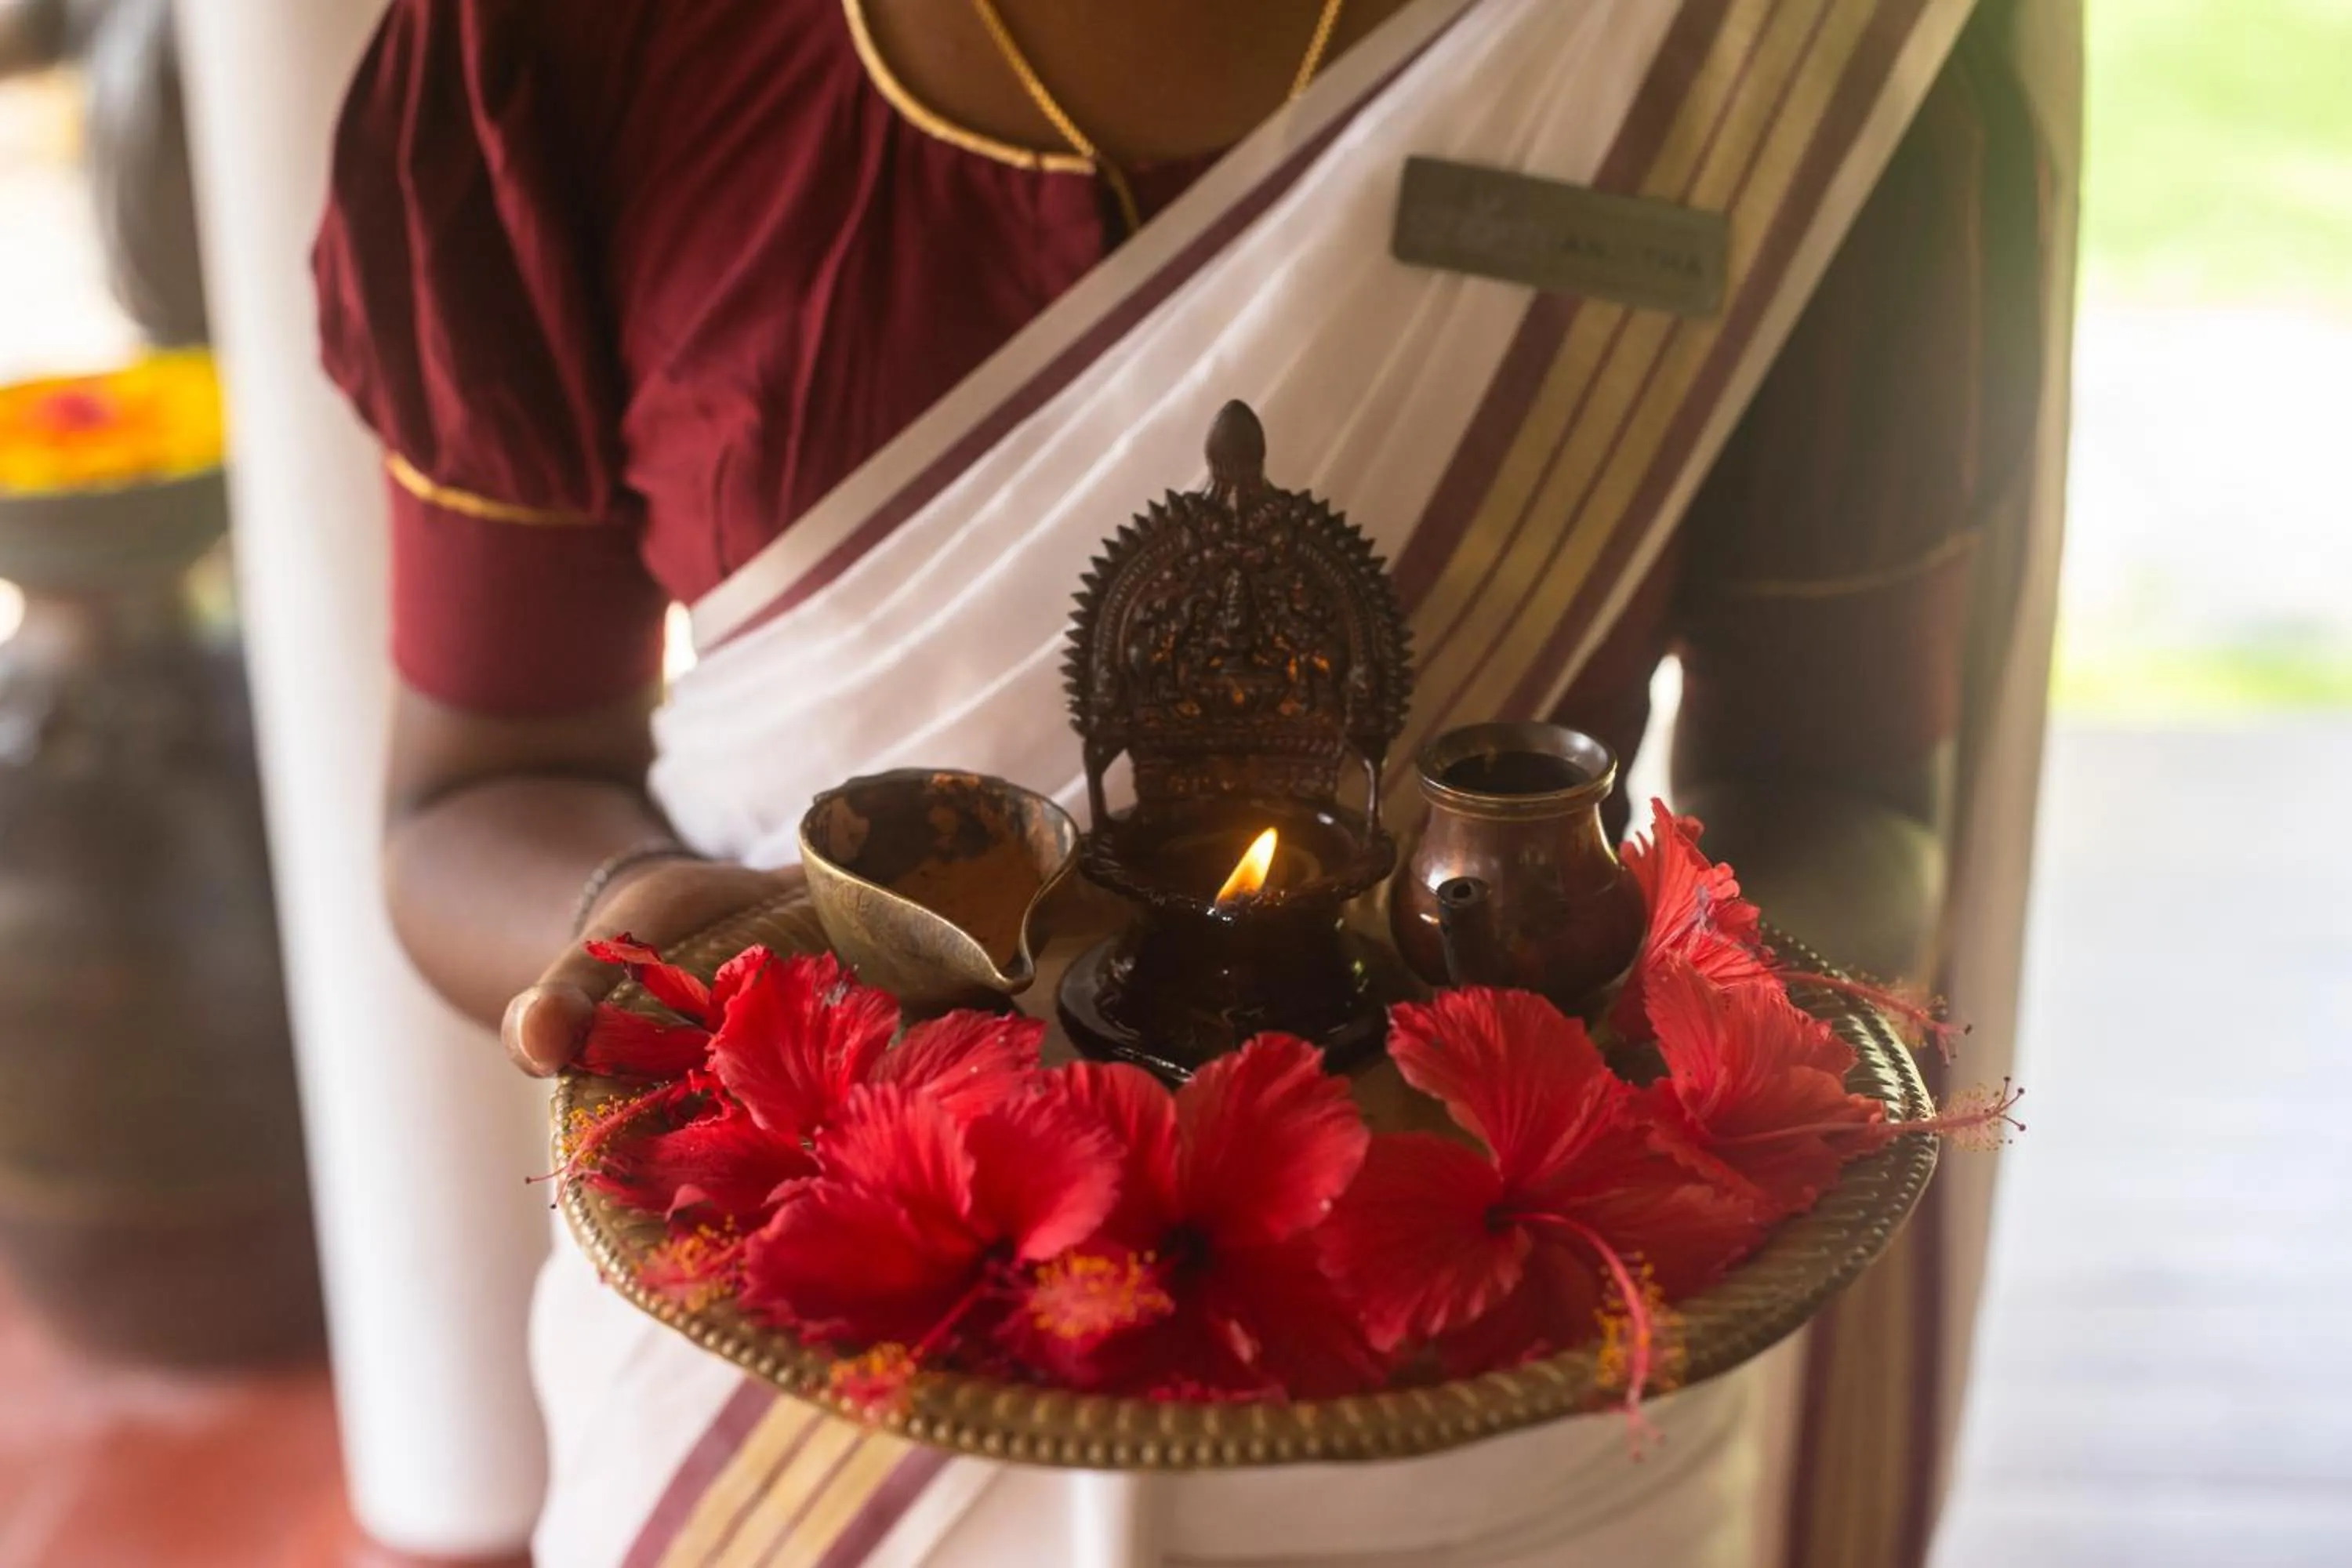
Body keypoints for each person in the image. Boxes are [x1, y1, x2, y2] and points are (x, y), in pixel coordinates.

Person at [312, 1, 2076, 1563]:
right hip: (808, 1365)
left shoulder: (1776, 48)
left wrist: (1664, 1050)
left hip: (1492, 1360)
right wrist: (653, 941)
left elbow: (1846, 784)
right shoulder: (558, 43)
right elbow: (477, 793)